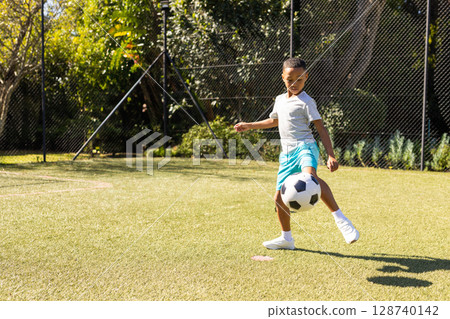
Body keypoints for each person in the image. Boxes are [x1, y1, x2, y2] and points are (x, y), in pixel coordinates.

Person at [234, 58, 359, 250]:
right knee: (278, 199)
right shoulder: (279, 100)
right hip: (287, 154)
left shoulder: (307, 102)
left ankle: (341, 220)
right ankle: (287, 239)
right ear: (283, 77)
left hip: (305, 147)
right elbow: (274, 121)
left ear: (306, 77)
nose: (294, 84)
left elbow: (321, 128)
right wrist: (249, 125)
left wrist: (331, 154)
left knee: (310, 177)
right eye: (290, 79)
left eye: (299, 79)